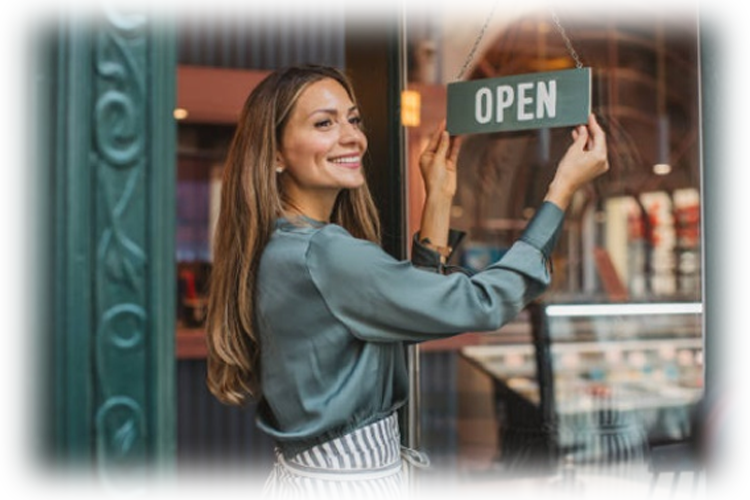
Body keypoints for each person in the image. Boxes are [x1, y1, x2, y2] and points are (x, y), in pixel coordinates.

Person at [206, 64, 609, 499]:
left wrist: (437, 198)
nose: (352, 136)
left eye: (353, 119)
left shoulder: (282, 245)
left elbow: (413, 308)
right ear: (276, 154)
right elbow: (484, 303)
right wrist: (561, 191)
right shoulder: (325, 254)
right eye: (325, 123)